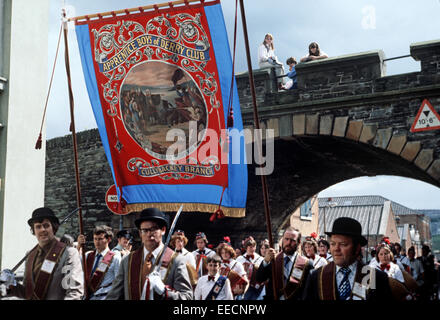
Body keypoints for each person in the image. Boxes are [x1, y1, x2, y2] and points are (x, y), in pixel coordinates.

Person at [106, 208, 193, 300]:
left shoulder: (176, 260)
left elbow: (187, 297)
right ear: (140, 233)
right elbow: (114, 296)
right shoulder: (128, 260)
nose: (149, 234)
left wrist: (165, 292)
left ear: (163, 230)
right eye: (144, 230)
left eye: (153, 229)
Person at [0, 207, 84, 300]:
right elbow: (28, 293)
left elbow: (74, 292)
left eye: (46, 225)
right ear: (33, 231)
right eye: (38, 226)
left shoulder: (68, 253)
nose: (42, 230)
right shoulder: (30, 255)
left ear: (54, 228)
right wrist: (11, 285)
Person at [303, 217, 392, 301]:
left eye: (343, 244)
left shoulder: (375, 278)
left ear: (357, 248)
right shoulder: (316, 276)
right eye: (333, 244)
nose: (336, 249)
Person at [256, 227, 313, 300]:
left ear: (298, 243)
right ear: (282, 240)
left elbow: (309, 291)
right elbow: (259, 279)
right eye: (286, 239)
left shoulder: (307, 264)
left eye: (292, 240)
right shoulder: (273, 259)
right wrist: (265, 261)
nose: (288, 243)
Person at [77, 225, 121, 300]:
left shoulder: (115, 258)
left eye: (100, 239)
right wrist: (79, 246)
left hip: (104, 296)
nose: (97, 242)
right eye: (95, 239)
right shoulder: (88, 255)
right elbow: (73, 263)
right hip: (87, 296)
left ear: (109, 239)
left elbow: (119, 283)